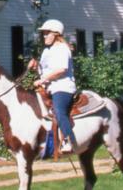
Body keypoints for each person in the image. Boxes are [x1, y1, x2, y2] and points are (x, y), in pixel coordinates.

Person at [27, 19, 78, 153]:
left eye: (46, 33)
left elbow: (61, 69)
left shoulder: (62, 49)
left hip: (62, 87)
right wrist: (36, 67)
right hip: (49, 88)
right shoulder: (46, 51)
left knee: (59, 111)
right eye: (43, 33)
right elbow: (44, 72)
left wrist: (43, 79)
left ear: (56, 34)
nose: (44, 36)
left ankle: (69, 140)